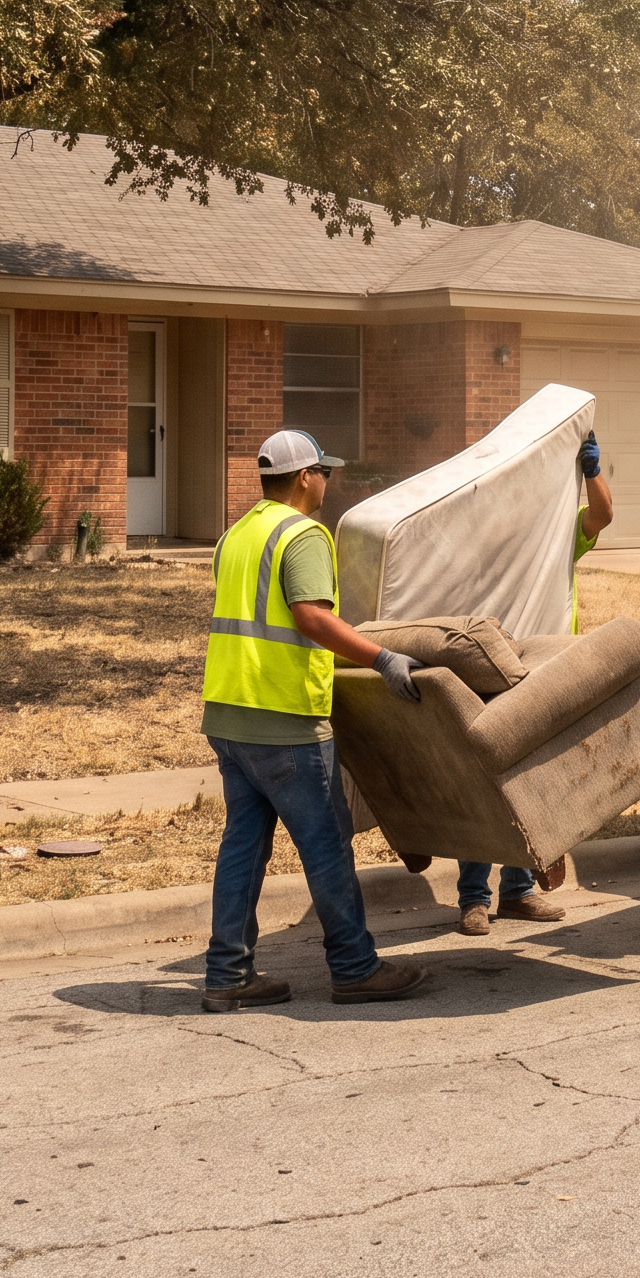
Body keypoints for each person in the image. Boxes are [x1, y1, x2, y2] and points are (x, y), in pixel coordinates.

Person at [200, 430, 432, 1012]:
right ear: (304, 477)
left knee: (243, 847)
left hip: (230, 713)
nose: (328, 479)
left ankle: (227, 976)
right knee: (325, 845)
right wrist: (381, 657)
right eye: (323, 471)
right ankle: (354, 969)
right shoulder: (302, 535)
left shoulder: (236, 534)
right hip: (285, 720)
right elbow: (308, 617)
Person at [454, 430, 614, 936]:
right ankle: (473, 898)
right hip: (484, 670)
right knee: (483, 782)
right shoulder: (474, 549)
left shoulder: (554, 542)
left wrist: (591, 471)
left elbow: (603, 515)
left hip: (540, 670)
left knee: (531, 780)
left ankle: (518, 893)